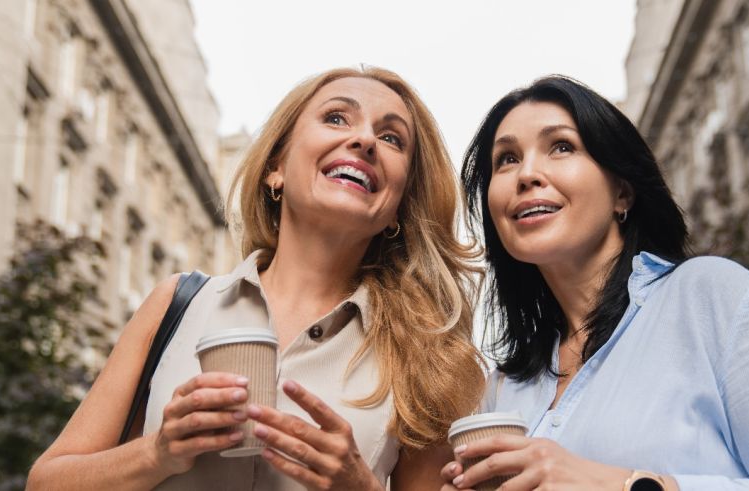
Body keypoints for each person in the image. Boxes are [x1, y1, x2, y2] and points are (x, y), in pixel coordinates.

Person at [27, 66, 486, 490]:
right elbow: (45, 482)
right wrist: (158, 452)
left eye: (391, 138)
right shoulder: (178, 302)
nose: (365, 139)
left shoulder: (431, 357)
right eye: (337, 118)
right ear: (276, 169)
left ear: (397, 207)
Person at [441, 75, 749, 490]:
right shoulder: (504, 386)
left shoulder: (713, 297)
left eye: (561, 147)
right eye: (507, 159)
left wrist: (628, 485)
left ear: (622, 193)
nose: (527, 173)